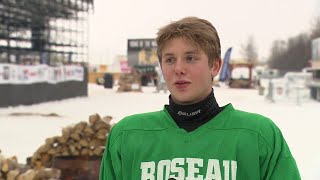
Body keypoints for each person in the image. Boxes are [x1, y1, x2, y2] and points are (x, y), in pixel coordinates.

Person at [99, 17, 300, 179]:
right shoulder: (127, 136)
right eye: (170, 60)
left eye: (190, 58)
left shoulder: (258, 135)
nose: (178, 69)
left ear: (215, 65)